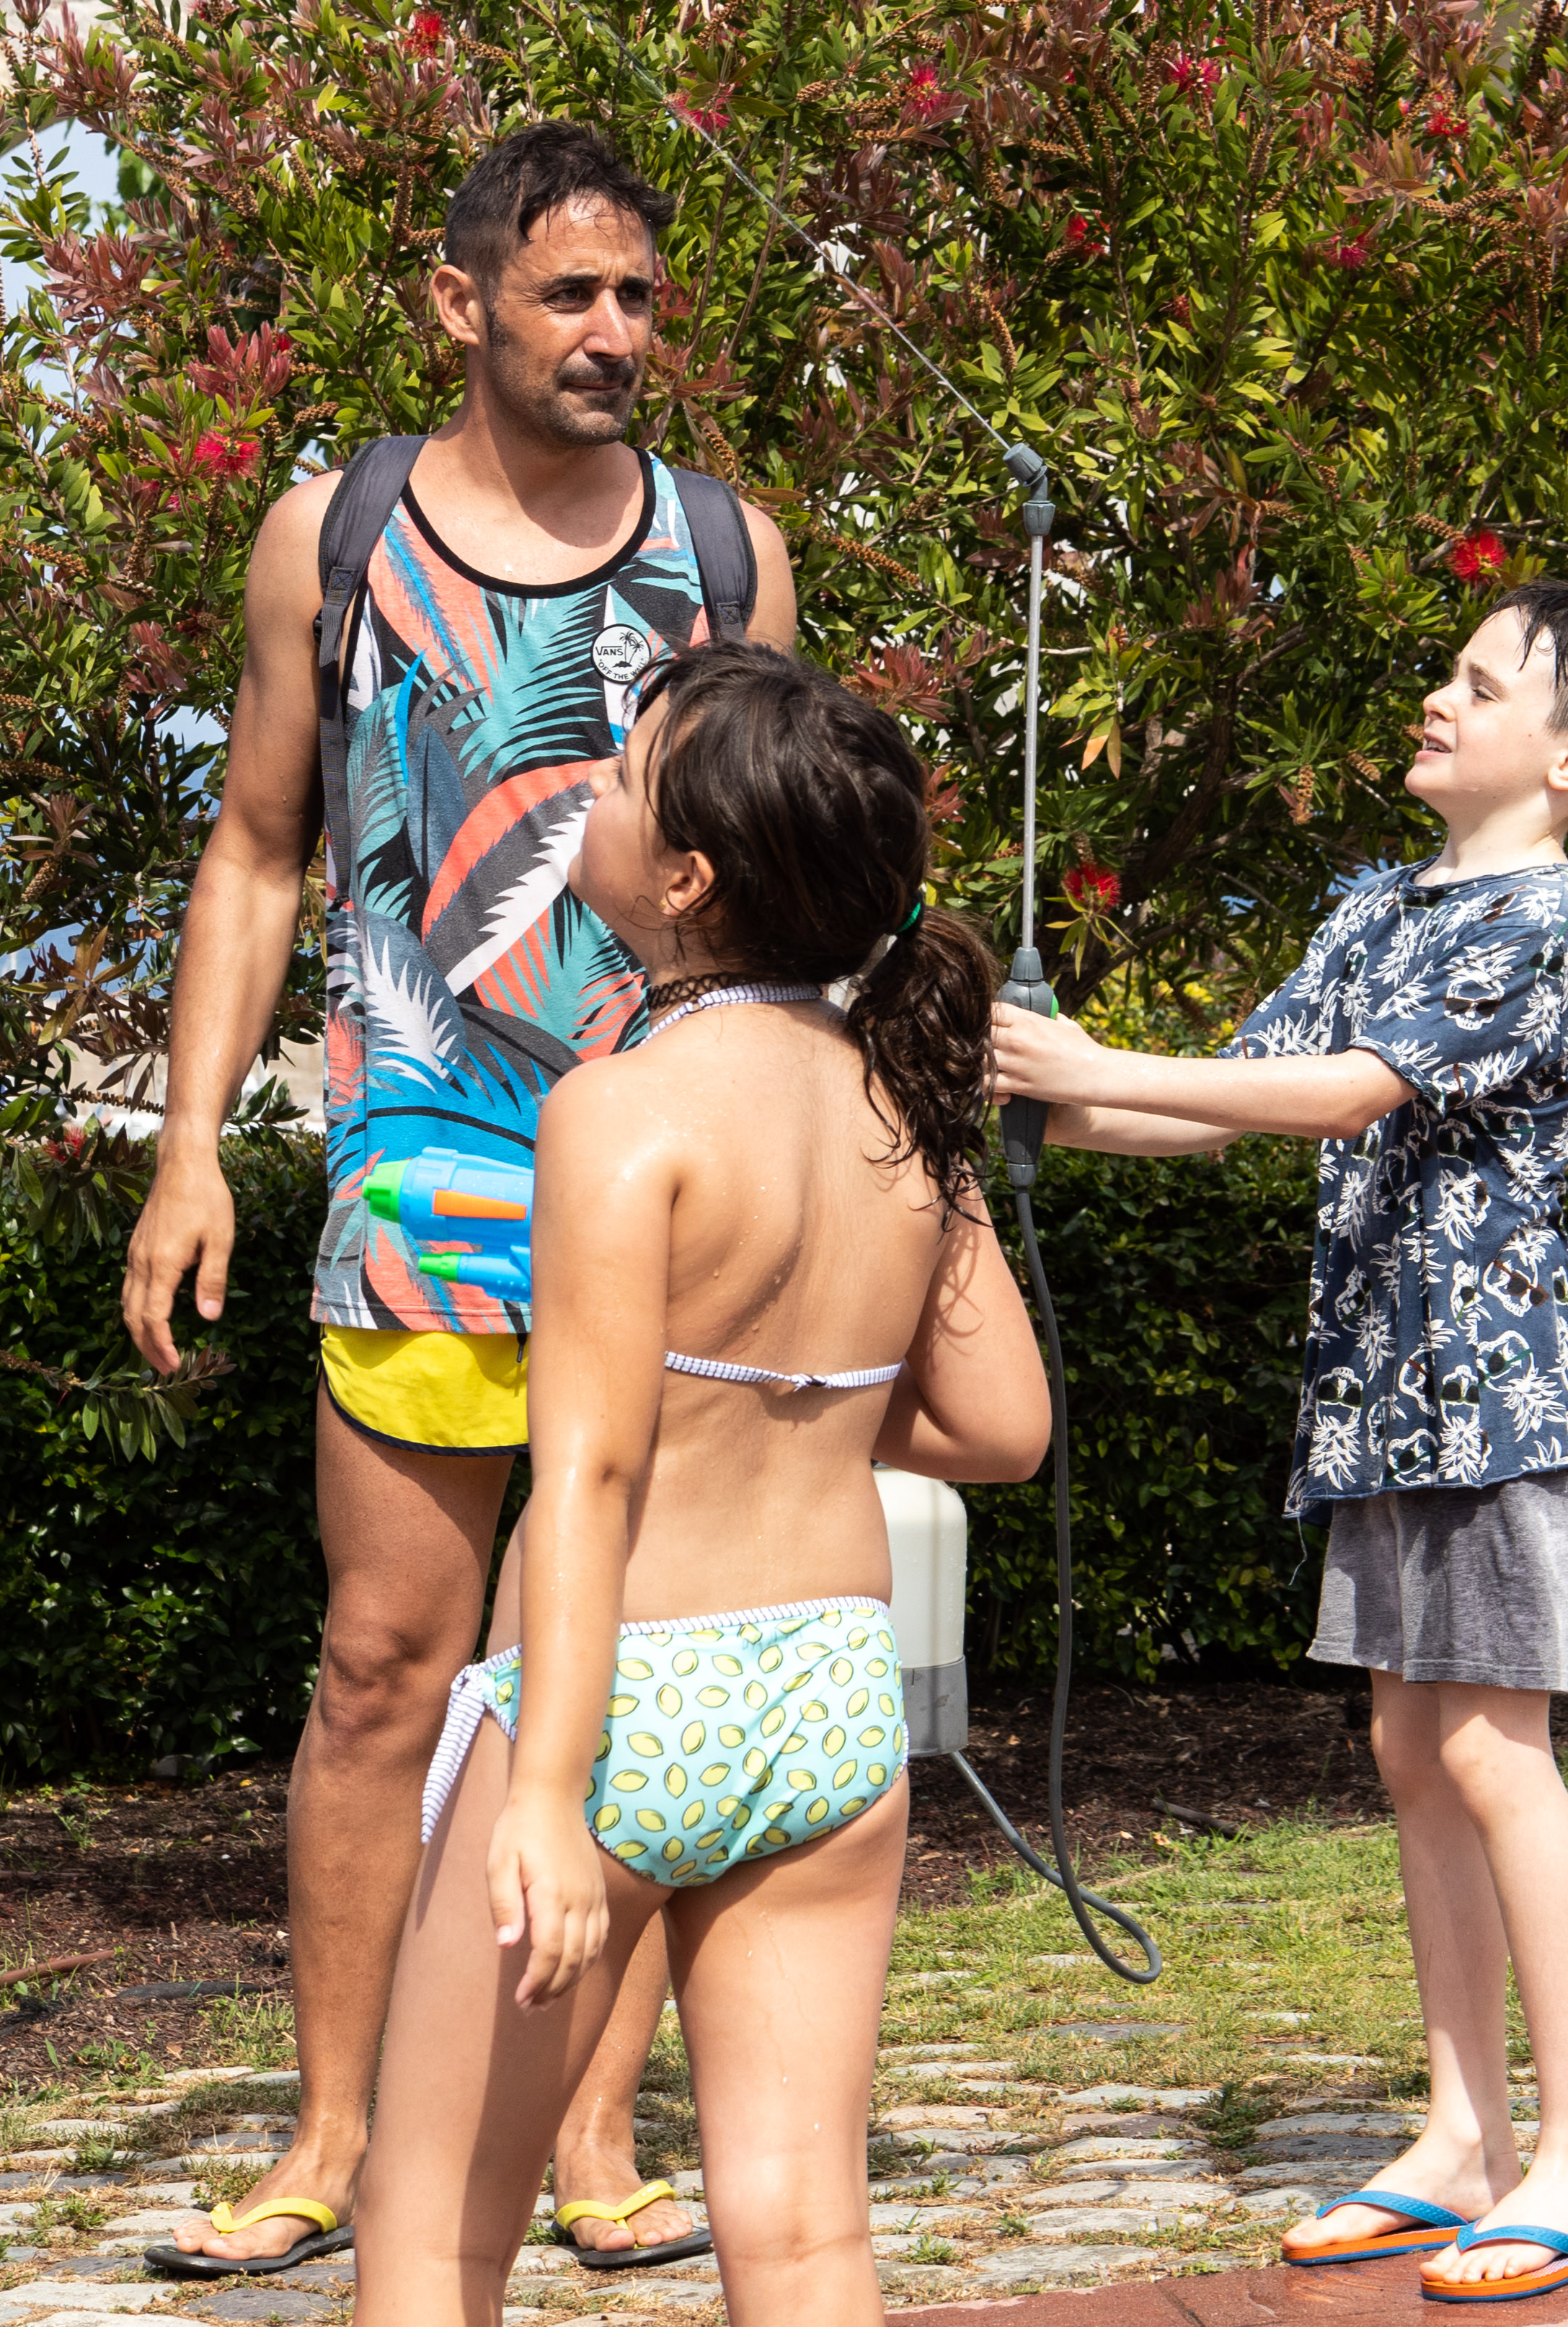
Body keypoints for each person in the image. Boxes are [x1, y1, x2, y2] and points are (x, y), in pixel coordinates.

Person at [121, 123, 797, 2279]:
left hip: (673, 1166)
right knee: (382, 1662)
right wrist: (190, 1145)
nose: (614, 333)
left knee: (640, 1669)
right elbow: (257, 844)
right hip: (424, 1167)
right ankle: (332, 2132)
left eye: (639, 297)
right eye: (569, 292)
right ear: (461, 301)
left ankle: (591, 2129)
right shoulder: (332, 534)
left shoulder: (725, 552)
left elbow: (785, 878)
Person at [990, 583, 1568, 2305]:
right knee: (1411, 1747)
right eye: (1449, 672)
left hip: (1490, 1395)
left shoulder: (1539, 919)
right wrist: (1025, 1092)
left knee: (1496, 1752)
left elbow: (1348, 1090)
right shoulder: (1379, 904)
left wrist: (1097, 1055)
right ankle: (1463, 2134)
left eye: (1481, 684)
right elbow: (1223, 1095)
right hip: (1375, 1393)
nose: (1438, 698)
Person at [353, 642, 1050, 2327]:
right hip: (828, 1688)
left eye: (616, 775)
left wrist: (544, 1790)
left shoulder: (621, 1108)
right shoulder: (902, 1096)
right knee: (803, 2232)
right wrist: (798, 1403)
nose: (585, 794)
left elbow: (588, 1469)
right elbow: (1002, 1425)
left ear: (685, 878)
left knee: (431, 2228)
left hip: (617, 1703)